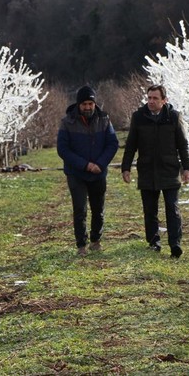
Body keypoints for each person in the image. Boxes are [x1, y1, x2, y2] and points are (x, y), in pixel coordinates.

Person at [121, 84, 189, 258]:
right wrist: (126, 167)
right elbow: (131, 144)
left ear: (164, 100)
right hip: (147, 169)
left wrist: (187, 168)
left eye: (155, 98)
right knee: (150, 210)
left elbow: (182, 145)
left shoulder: (174, 118)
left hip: (169, 169)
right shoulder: (139, 117)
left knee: (172, 208)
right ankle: (154, 242)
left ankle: (175, 244)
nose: (151, 101)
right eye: (149, 98)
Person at [57, 86, 119, 256]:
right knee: (80, 209)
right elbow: (63, 149)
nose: (87, 107)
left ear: (94, 103)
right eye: (84, 104)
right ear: (78, 104)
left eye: (90, 103)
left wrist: (100, 163)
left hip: (99, 172)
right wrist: (85, 165)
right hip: (76, 173)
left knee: (98, 208)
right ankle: (81, 244)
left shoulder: (104, 119)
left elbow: (112, 143)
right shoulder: (67, 122)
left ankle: (96, 240)